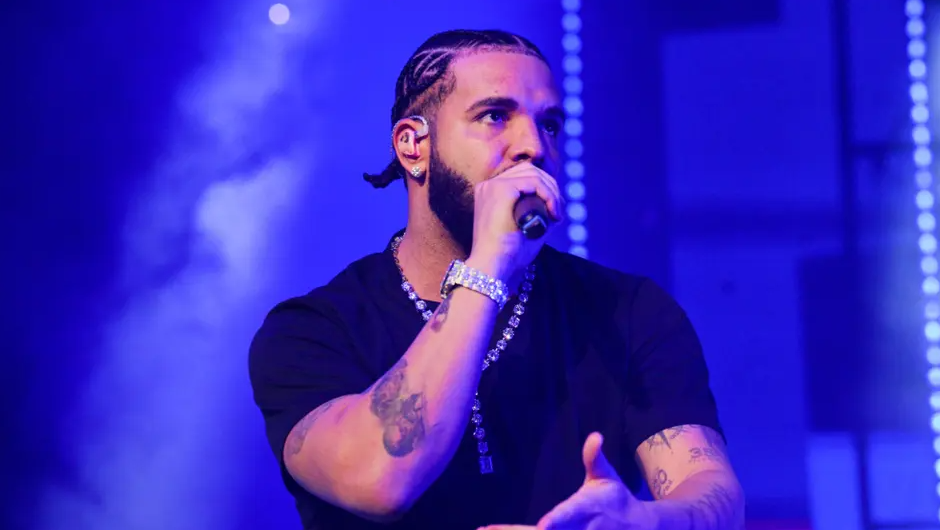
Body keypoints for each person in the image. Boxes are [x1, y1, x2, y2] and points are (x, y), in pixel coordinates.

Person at [248, 29, 745, 530]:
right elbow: (380, 479)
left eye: (549, 124)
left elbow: (712, 492)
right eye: (495, 116)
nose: (534, 147)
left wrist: (644, 524)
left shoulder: (628, 312)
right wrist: (487, 265)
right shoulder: (313, 331)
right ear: (413, 146)